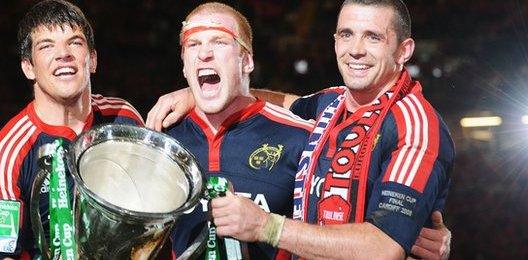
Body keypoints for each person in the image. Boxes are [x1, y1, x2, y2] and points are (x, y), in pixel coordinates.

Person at [146, 0, 453, 259]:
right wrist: (194, 95)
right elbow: (279, 101)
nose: (356, 49)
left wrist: (266, 227)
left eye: (373, 37)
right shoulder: (330, 106)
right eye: (346, 34)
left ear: (403, 51)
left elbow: (384, 248)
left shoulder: (414, 123)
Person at [0, 1, 143, 259]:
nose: (64, 54)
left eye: (75, 42)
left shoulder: (125, 120)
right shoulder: (4, 155)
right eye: (47, 46)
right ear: (28, 67)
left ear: (92, 59)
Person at [164, 3, 314, 259]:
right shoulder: (164, 141)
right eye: (193, 44)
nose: (204, 54)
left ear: (246, 61)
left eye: (219, 42)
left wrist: (266, 226)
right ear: (184, 64)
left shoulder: (300, 138)